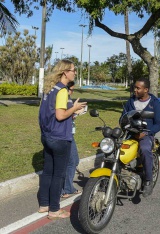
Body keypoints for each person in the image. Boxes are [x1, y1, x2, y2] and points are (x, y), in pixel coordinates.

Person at [38, 59, 87, 219]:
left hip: (47, 136)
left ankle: (44, 205)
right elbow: (60, 116)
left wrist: (72, 111)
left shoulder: (50, 88)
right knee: (58, 174)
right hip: (59, 138)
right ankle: (54, 209)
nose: (75, 72)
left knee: (47, 172)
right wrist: (74, 108)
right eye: (73, 70)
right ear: (65, 72)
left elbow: (50, 113)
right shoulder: (62, 90)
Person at [120, 77, 160, 197]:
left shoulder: (154, 103)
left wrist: (147, 133)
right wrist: (122, 127)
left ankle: (148, 181)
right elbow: (122, 117)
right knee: (115, 147)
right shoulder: (131, 101)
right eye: (135, 87)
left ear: (146, 90)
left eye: (138, 88)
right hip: (130, 133)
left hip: (146, 134)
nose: (135, 90)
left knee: (144, 149)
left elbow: (159, 124)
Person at [61, 81, 84, 198]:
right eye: (71, 89)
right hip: (65, 135)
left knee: (72, 161)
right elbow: (61, 115)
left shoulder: (67, 98)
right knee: (71, 161)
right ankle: (65, 188)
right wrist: (74, 110)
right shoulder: (62, 97)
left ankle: (66, 187)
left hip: (69, 133)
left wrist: (75, 113)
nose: (72, 92)